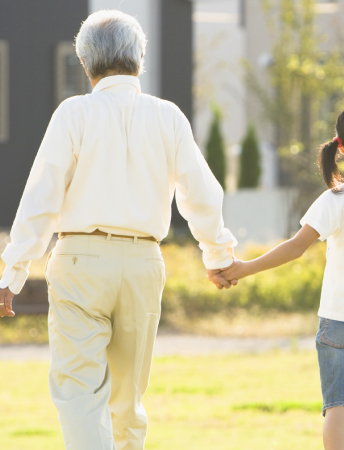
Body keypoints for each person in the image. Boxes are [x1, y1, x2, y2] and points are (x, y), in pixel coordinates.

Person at [0, 10, 238, 450]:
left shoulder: (72, 113)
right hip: (145, 261)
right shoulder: (169, 117)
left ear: (84, 62)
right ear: (141, 57)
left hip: (80, 260)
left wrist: (12, 273)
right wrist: (218, 255)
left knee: (79, 391)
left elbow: (41, 201)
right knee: (127, 399)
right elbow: (203, 195)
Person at [219, 100, 344, 450]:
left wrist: (243, 268)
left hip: (338, 321)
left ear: (340, 147)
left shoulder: (335, 199)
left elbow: (296, 248)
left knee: (338, 412)